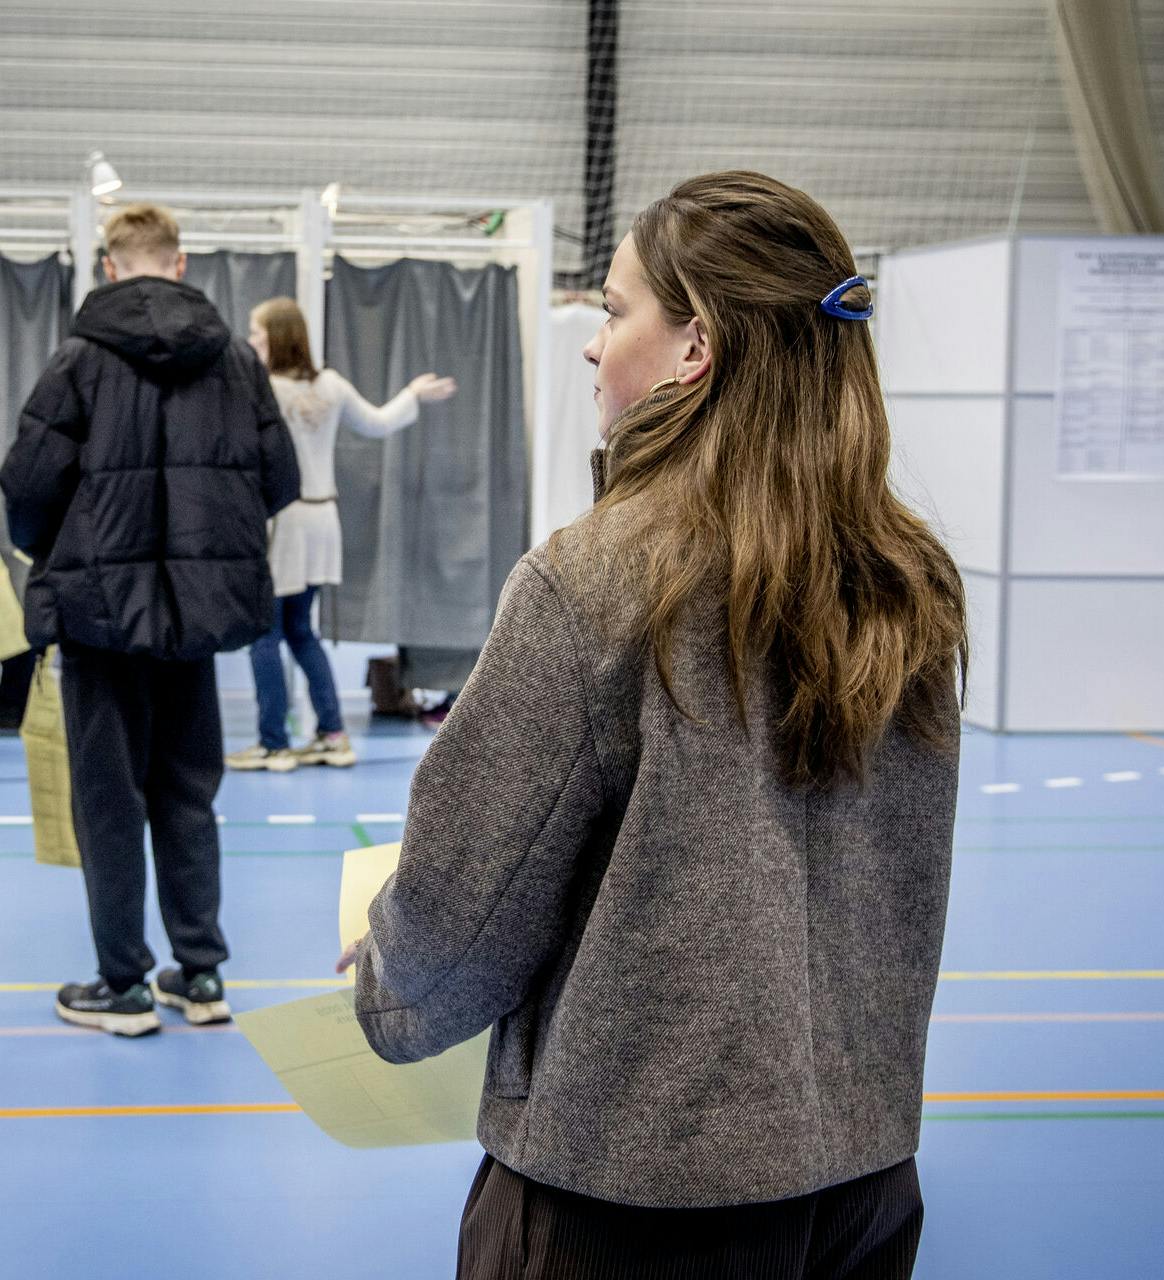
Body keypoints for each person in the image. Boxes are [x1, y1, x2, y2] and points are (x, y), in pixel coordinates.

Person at [340, 172, 968, 1279]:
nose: (592, 345)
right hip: (863, 1181)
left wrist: (387, 979)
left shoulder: (594, 582)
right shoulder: (908, 577)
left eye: (613, 310)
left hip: (630, 1203)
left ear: (695, 349)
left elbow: (454, 913)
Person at [0, 203, 300, 1036]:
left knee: (109, 799)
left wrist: (58, 546)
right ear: (179, 264)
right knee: (188, 792)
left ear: (106, 267)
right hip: (195, 622)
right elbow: (279, 477)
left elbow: (25, 488)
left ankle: (123, 985)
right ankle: (201, 975)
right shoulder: (237, 361)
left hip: (100, 618)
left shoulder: (77, 360)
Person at [225, 298, 456, 772]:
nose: (251, 342)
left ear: (279, 337)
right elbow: (378, 422)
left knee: (266, 633)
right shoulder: (329, 384)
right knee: (299, 630)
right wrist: (411, 393)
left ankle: (274, 743)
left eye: (258, 333)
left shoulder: (264, 390)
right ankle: (332, 734)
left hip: (284, 522)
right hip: (322, 520)